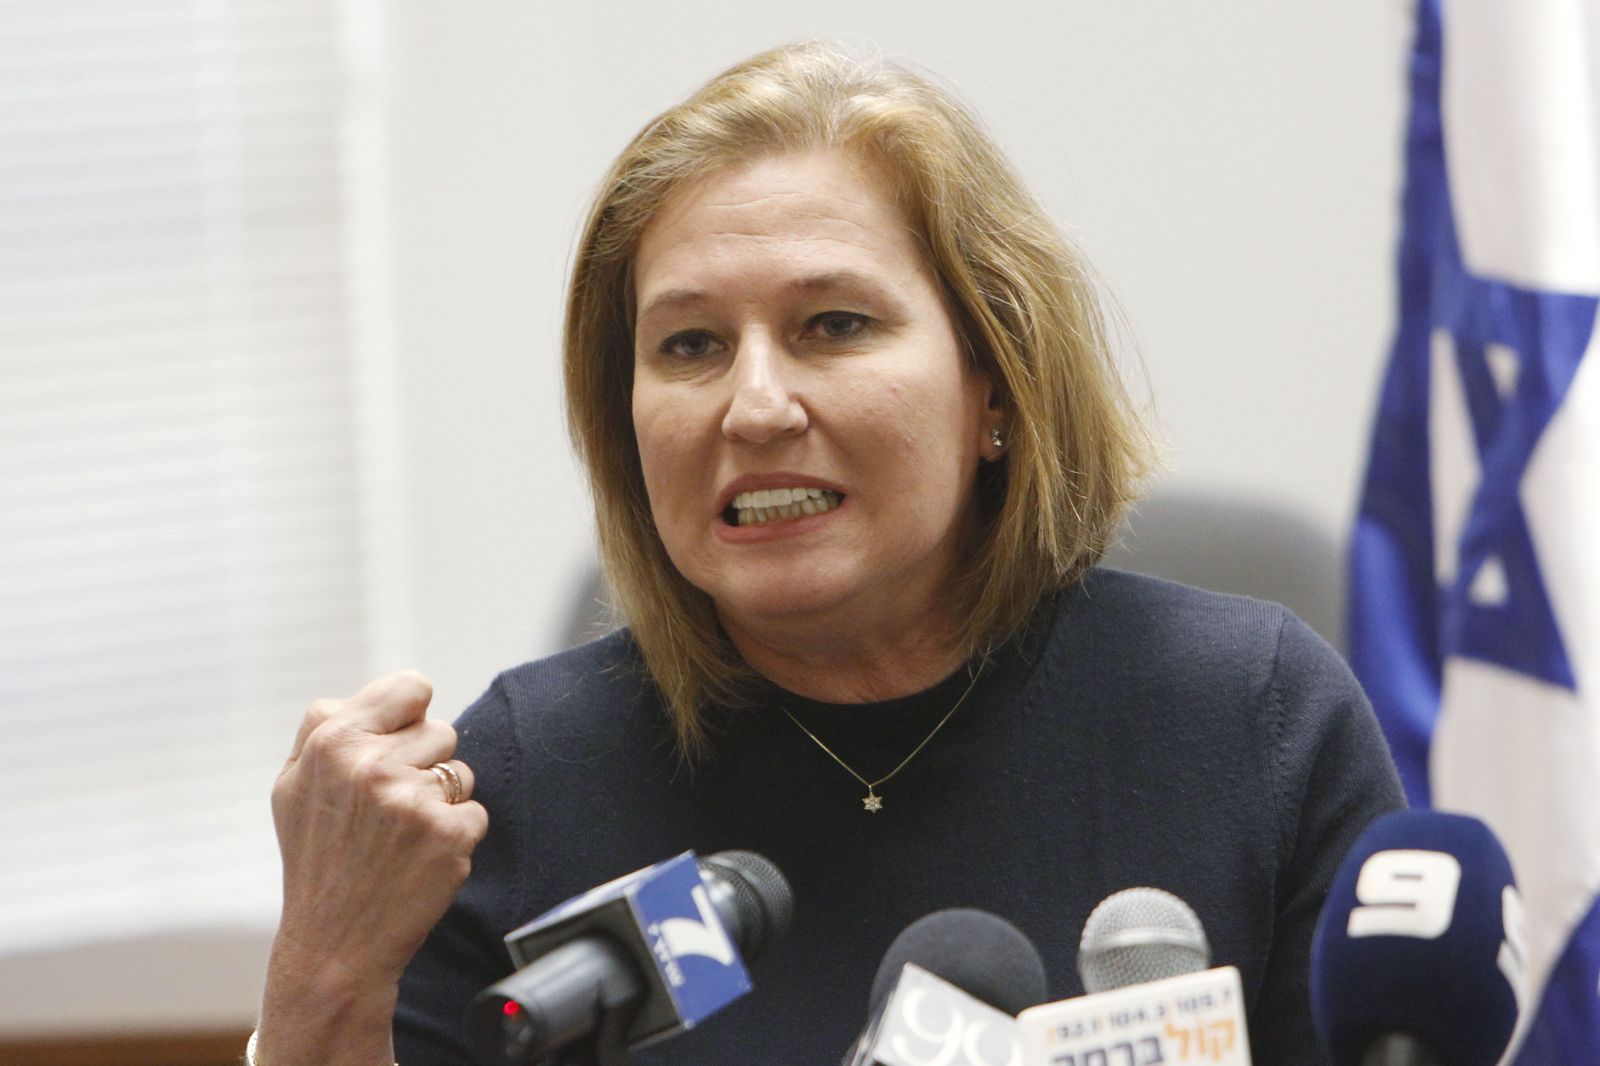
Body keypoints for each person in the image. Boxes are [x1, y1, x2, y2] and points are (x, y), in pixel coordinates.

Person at [255, 41, 1404, 1066]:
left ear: (994, 384)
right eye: (690, 344)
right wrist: (324, 972)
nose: (756, 406)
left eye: (834, 325)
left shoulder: (1247, 724)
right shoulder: (527, 783)